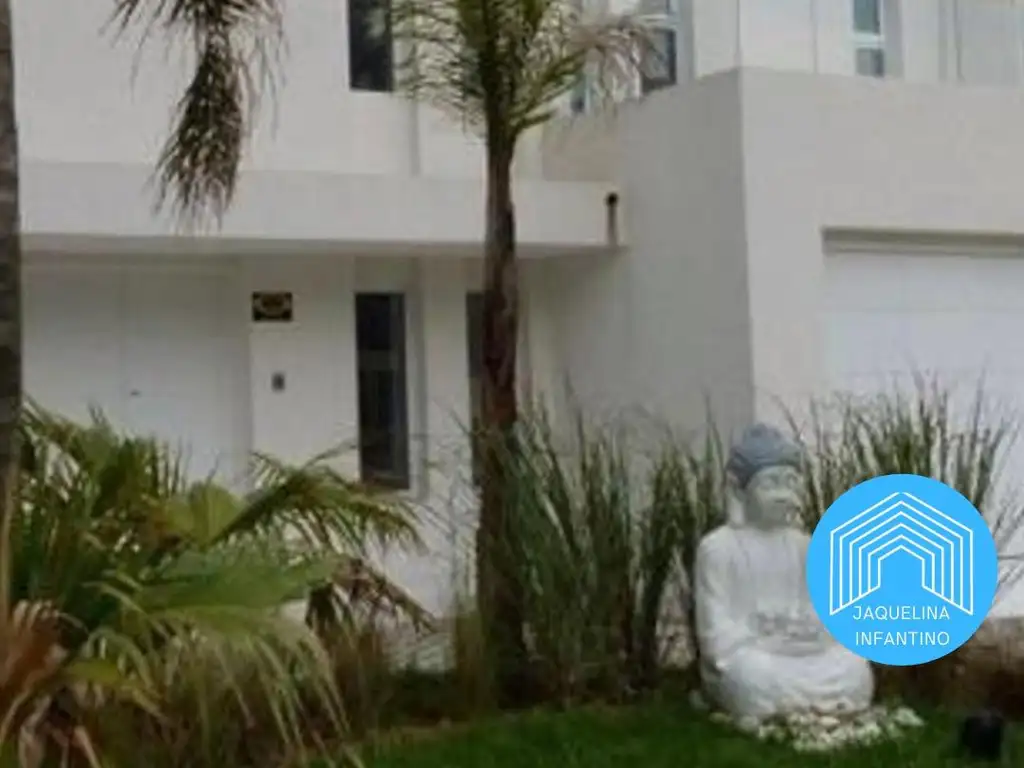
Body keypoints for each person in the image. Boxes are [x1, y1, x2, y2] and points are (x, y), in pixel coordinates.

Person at [693, 423, 874, 720]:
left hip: (804, 652)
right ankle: (788, 703)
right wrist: (761, 632)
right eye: (770, 484)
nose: (784, 494)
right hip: (754, 657)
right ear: (738, 490)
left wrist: (810, 628)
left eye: (791, 483)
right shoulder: (717, 548)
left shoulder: (805, 545)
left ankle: (801, 704)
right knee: (750, 677)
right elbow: (714, 634)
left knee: (854, 666)